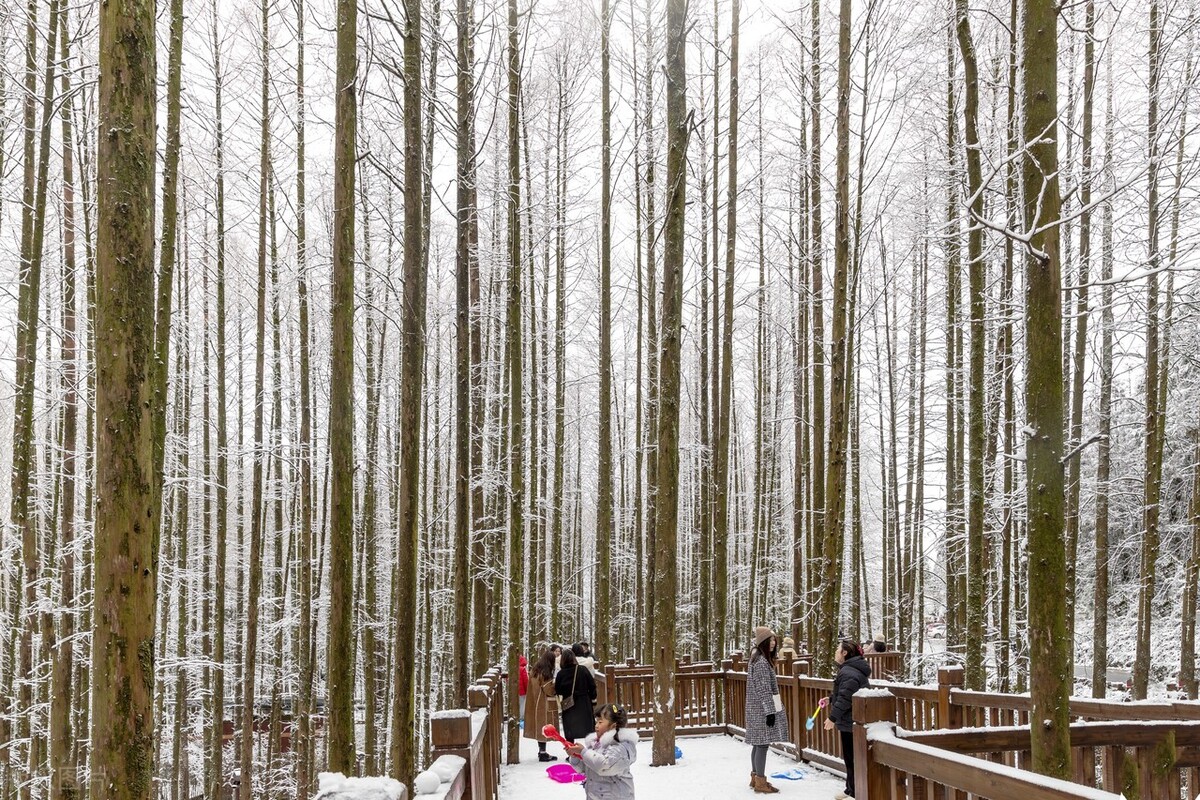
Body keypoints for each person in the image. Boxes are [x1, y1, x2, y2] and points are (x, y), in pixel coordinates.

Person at [824, 639, 872, 799]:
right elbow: (845, 693)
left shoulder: (848, 672)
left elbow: (845, 698)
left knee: (852, 759)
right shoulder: (851, 670)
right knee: (851, 758)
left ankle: (855, 792)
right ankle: (850, 789)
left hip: (851, 722)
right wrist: (830, 699)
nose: (836, 652)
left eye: (838, 650)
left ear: (845, 653)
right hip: (852, 720)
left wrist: (832, 718)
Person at [744, 626, 788, 794]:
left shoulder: (756, 658)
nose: (773, 643)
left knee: (758, 744)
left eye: (774, 640)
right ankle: (760, 782)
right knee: (762, 745)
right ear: (762, 642)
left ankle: (755, 778)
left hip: (756, 708)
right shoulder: (761, 662)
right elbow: (763, 689)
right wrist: (770, 712)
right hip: (761, 709)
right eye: (769, 641)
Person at [565, 703, 637, 800]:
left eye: (600, 722)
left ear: (613, 726)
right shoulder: (596, 745)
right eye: (596, 721)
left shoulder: (621, 747)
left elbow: (604, 766)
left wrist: (583, 752)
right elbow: (586, 769)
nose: (596, 725)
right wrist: (575, 756)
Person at [523, 648, 560, 762]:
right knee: (544, 726)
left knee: (540, 726)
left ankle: (541, 751)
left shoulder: (535, 670)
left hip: (534, 701)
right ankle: (543, 753)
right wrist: (556, 686)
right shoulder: (545, 673)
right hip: (543, 703)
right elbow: (549, 690)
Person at [556, 648, 598, 742]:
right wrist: (593, 698)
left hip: (569, 703)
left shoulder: (561, 674)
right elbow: (592, 685)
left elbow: (558, 690)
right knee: (588, 727)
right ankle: (590, 750)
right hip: (584, 702)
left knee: (570, 729)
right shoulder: (582, 669)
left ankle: (571, 752)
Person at [518, 654, 529, 721]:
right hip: (522, 691)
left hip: (515, 691)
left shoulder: (512, 669)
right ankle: (521, 717)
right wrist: (528, 689)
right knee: (522, 704)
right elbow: (525, 680)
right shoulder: (523, 669)